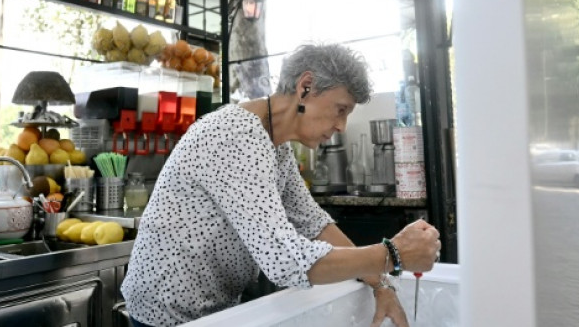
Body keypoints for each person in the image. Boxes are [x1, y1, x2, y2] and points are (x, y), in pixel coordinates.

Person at [121, 44, 440, 327]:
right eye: (340, 109)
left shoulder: (276, 146)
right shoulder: (236, 137)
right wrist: (392, 254)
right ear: (305, 87)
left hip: (215, 308)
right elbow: (285, 260)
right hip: (167, 313)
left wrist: (381, 283)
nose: (341, 126)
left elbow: (314, 223)